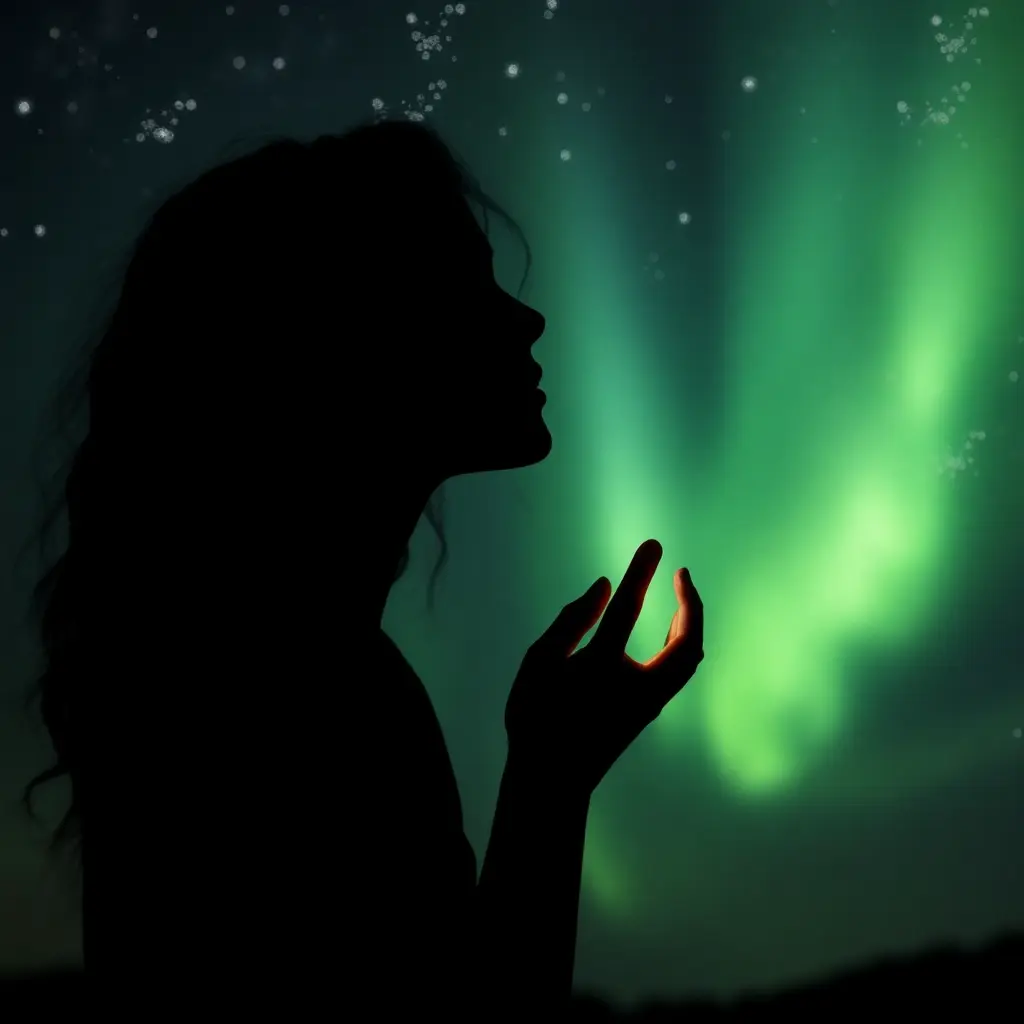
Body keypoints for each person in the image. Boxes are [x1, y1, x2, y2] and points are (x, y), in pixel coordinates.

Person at [21, 118, 705, 1017]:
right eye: (467, 285)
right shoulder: (298, 684)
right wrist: (551, 776)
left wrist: (554, 766)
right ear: (349, 337)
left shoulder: (219, 661)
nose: (527, 318)